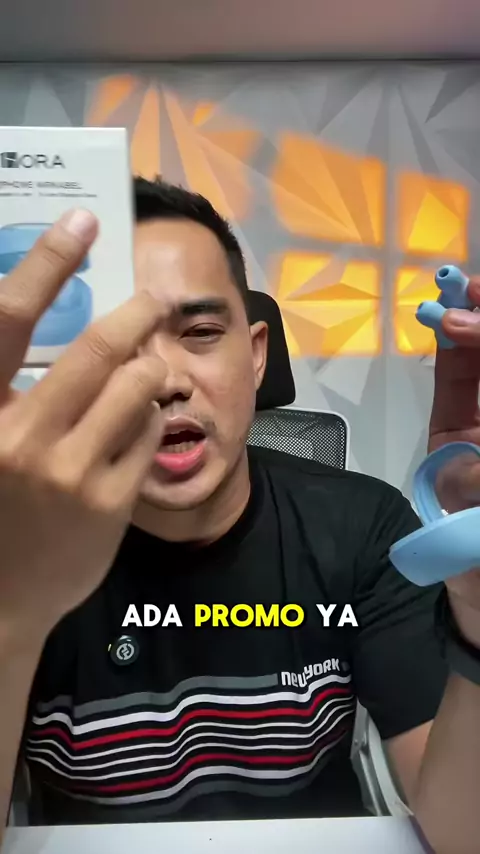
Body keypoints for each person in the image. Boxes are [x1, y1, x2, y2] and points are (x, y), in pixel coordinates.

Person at [0, 178, 480, 854]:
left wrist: (476, 601)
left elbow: (463, 835)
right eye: (118, 345)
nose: (166, 380)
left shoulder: (360, 526)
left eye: (200, 333)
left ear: (256, 355)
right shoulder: (21, 543)